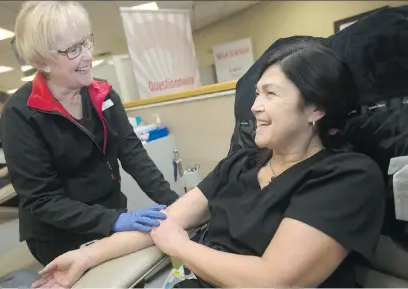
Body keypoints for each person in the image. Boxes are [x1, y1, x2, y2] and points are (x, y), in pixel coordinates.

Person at [32, 42, 386, 288]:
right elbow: (167, 221)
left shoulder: (347, 176)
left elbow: (275, 280)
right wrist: (85, 256)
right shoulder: (241, 164)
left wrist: (181, 247)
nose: (255, 106)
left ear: (316, 109)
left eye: (271, 94)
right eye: (257, 93)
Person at [0, 1, 179, 266]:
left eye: (86, 42)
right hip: (59, 235)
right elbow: (42, 199)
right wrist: (112, 221)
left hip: (110, 210)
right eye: (73, 49)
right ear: (43, 62)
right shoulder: (21, 114)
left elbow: (131, 152)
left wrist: (175, 204)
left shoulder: (103, 95)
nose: (87, 55)